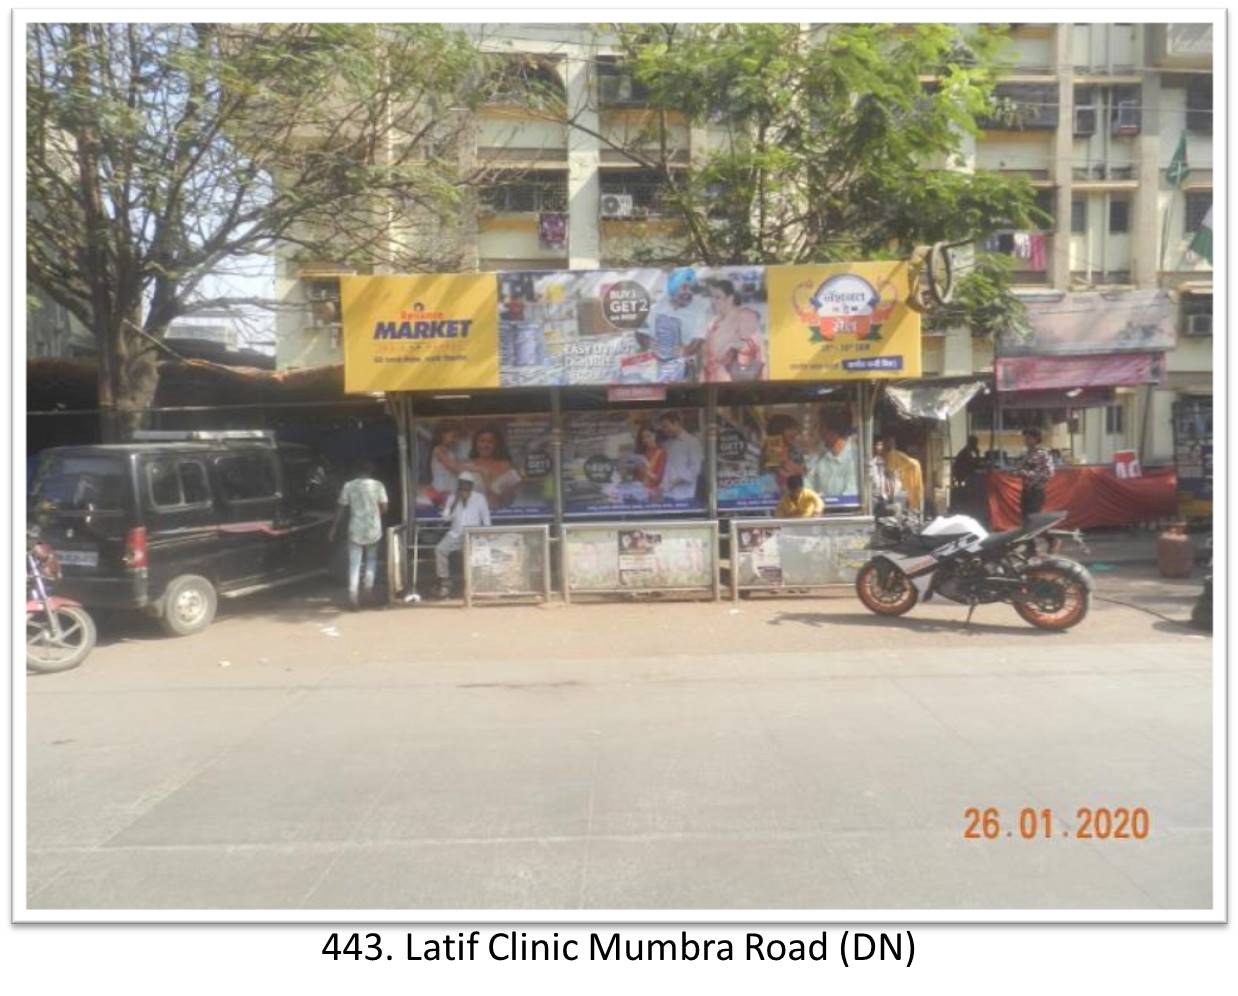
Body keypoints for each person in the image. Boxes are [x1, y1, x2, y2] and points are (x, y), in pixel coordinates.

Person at [329, 459, 389, 609]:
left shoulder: (348, 486)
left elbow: (341, 508)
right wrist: (375, 514)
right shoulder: (378, 485)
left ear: (357, 471)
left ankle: (353, 595)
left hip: (355, 528)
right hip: (373, 528)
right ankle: (368, 589)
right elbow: (385, 507)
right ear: (371, 470)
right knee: (371, 559)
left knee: (354, 563)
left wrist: (334, 527)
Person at [640, 268, 712, 381]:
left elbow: (699, 339)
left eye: (691, 288)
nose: (688, 292)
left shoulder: (698, 312)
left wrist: (686, 350)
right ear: (673, 288)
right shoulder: (656, 308)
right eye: (684, 288)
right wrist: (649, 345)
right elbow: (642, 332)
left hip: (682, 371)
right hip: (653, 368)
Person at [434, 471, 491, 598]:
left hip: (473, 535)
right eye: (461, 487)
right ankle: (445, 583)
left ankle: (475, 585)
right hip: (455, 534)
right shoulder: (452, 498)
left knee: (475, 555)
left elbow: (486, 519)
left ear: (471, 487)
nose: (464, 490)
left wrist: (485, 535)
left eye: (466, 487)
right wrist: (454, 503)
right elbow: (446, 519)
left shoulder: (479, 498)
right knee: (440, 549)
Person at [703, 278, 764, 382]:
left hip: (738, 381)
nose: (713, 301)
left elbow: (752, 345)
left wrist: (731, 345)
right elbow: (706, 357)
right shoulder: (713, 323)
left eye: (718, 297)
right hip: (712, 382)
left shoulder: (745, 315)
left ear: (730, 298)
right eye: (712, 297)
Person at [466, 425, 523, 510]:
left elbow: (511, 501)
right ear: (475, 443)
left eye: (490, 442)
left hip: (502, 517)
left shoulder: (508, 468)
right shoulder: (467, 467)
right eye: (481, 441)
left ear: (497, 444)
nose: (485, 445)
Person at [807, 409, 859, 502]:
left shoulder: (855, 458)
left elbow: (850, 494)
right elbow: (808, 484)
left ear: (833, 431)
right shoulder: (818, 456)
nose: (817, 431)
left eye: (820, 427)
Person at [657, 411, 704, 502]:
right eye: (663, 427)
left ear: (676, 423)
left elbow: (695, 469)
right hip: (667, 494)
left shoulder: (692, 442)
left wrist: (673, 482)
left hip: (684, 495)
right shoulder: (668, 444)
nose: (665, 430)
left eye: (666, 426)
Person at [1018, 426, 1055, 523]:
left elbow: (1049, 473)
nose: (1026, 441)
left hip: (1036, 491)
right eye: (1025, 438)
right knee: (1025, 518)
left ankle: (1047, 537)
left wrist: (1026, 473)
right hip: (1026, 490)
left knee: (1034, 519)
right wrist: (1017, 471)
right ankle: (1029, 538)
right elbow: (1021, 468)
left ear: (1036, 438)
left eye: (1028, 438)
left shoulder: (1043, 453)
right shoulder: (1026, 454)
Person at [881, 433, 924, 515]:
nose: (890, 444)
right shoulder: (890, 455)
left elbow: (890, 471)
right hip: (898, 487)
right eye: (889, 442)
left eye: (892, 442)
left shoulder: (893, 454)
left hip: (900, 487)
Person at [426, 422, 466, 507]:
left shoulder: (452, 452)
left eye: (458, 437)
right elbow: (452, 467)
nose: (456, 440)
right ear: (442, 435)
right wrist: (476, 469)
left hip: (451, 490)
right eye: (454, 436)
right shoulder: (439, 450)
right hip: (441, 490)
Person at [869, 439, 905, 516]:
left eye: (881, 445)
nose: (879, 447)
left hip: (887, 498)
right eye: (877, 445)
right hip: (875, 499)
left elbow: (896, 481)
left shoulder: (889, 463)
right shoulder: (871, 464)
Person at [631, 422, 667, 496]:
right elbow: (636, 477)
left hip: (656, 492)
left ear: (655, 435)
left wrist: (646, 469)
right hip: (640, 491)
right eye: (643, 438)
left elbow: (658, 478)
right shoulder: (641, 453)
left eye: (648, 436)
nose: (646, 440)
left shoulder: (661, 453)